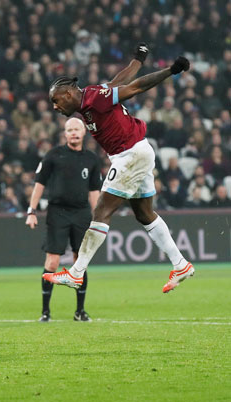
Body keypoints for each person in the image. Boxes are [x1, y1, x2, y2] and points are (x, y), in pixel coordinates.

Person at [44, 44, 195, 293]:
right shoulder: (91, 97)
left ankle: (76, 272)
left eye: (55, 100)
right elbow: (119, 80)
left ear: (68, 94)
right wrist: (138, 59)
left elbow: (135, 87)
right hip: (137, 151)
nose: (54, 106)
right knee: (144, 213)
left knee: (102, 209)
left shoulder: (95, 98)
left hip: (130, 154)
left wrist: (171, 71)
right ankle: (180, 265)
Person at [26, 118, 102, 322]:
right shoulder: (54, 155)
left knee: (80, 262)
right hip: (57, 212)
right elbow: (39, 184)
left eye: (77, 129)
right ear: (65, 134)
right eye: (69, 130)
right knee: (52, 262)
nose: (74, 133)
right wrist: (31, 211)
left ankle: (80, 311)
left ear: (84, 132)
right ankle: (45, 312)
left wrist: (98, 220)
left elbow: (94, 192)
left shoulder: (92, 159)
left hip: (82, 213)